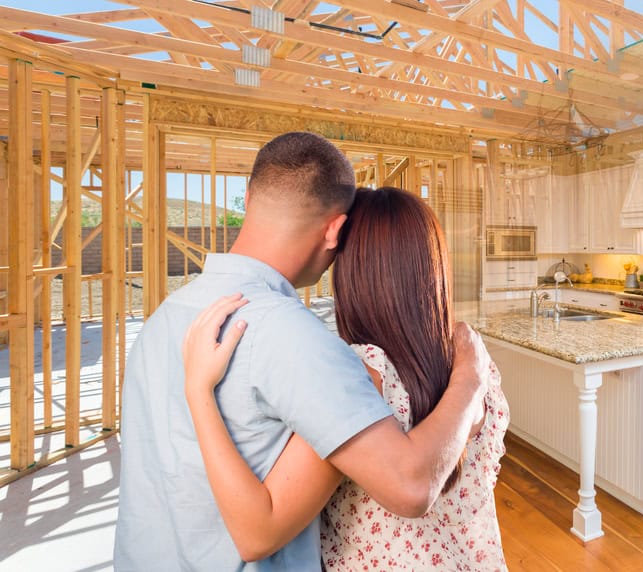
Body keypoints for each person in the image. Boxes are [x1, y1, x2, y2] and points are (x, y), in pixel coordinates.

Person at [114, 133, 491, 571]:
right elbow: (410, 487)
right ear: (335, 230)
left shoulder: (166, 316)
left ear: (250, 196)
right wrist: (471, 377)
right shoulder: (296, 338)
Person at [183, 187, 509, 570]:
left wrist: (198, 390)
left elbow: (259, 533)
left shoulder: (361, 375)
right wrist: (469, 378)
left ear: (352, 273)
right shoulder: (471, 358)